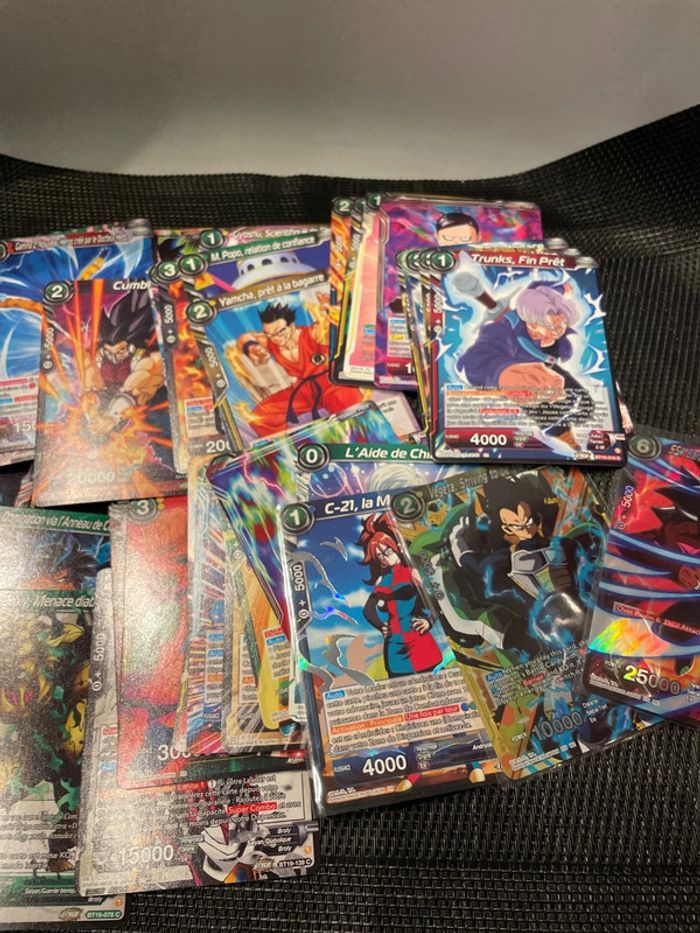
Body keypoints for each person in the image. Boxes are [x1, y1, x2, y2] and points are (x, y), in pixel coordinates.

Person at [458, 283, 594, 451]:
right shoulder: (502, 330)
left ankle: (577, 434)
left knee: (585, 406)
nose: (558, 330)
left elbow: (539, 289)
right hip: (526, 376)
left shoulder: (544, 306)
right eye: (552, 326)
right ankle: (573, 445)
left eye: (562, 324)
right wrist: (503, 373)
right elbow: (475, 359)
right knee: (550, 418)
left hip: (548, 368)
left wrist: (562, 288)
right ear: (532, 323)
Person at [236, 302, 362, 437]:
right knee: (260, 417)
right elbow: (245, 337)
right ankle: (290, 446)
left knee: (355, 420)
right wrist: (251, 347)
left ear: (291, 326)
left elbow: (335, 322)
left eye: (280, 332)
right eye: (269, 334)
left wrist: (338, 314)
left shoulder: (314, 333)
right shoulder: (271, 340)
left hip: (332, 385)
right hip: (304, 389)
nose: (276, 338)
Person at [358, 513, 443, 677]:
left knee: (435, 681)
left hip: (418, 638)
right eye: (380, 556)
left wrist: (429, 621)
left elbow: (436, 600)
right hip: (394, 643)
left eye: (388, 551)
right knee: (400, 683)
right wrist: (381, 626)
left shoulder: (412, 573)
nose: (386, 558)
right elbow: (368, 610)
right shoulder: (382, 580)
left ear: (395, 547)